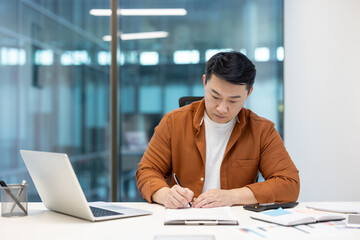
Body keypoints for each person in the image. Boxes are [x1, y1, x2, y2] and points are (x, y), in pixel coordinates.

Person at [136, 51, 300, 209]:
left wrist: (231, 197)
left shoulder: (262, 130)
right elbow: (147, 171)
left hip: (238, 224)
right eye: (215, 96)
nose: (222, 108)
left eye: (233, 100)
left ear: (249, 93)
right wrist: (165, 195)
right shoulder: (173, 122)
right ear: (204, 82)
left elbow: (289, 184)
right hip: (184, 218)